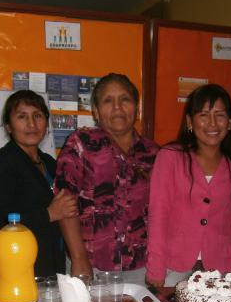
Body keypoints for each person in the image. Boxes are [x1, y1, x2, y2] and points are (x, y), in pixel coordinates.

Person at [54, 73, 159, 285]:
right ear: (96, 110)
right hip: (91, 265)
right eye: (108, 101)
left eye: (125, 99)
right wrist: (79, 258)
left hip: (141, 267)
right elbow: (65, 202)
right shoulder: (80, 143)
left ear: (137, 108)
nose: (117, 107)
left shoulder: (154, 153)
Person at [146, 84, 231, 288]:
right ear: (190, 121)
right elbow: (158, 216)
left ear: (230, 123)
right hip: (172, 267)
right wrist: (156, 271)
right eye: (203, 115)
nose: (212, 123)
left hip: (221, 270)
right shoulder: (170, 157)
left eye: (220, 115)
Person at [0, 90, 76, 283]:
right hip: (18, 273)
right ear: (8, 126)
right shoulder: (0, 164)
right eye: (22, 117)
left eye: (38, 116)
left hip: (52, 268)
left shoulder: (49, 162)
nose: (31, 124)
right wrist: (49, 214)